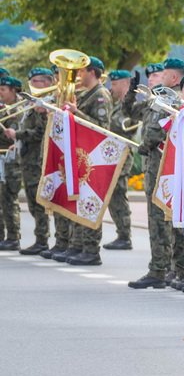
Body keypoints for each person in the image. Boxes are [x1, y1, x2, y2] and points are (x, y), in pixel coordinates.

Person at [128, 60, 184, 288]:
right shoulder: (160, 96)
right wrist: (131, 93)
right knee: (157, 220)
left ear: (173, 78)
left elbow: (156, 131)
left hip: (163, 167)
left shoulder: (171, 99)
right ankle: (160, 268)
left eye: (162, 75)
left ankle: (163, 269)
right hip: (154, 167)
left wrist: (144, 145)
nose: (158, 79)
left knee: (162, 220)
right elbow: (131, 113)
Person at [60, 56, 113, 266]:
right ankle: (79, 244)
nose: (78, 76)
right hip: (83, 154)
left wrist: (76, 112)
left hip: (94, 157)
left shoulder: (101, 96)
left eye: (81, 71)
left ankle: (91, 250)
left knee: (91, 202)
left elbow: (102, 127)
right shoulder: (85, 94)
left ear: (92, 72)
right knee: (79, 201)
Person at [13, 68, 56, 255]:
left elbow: (40, 133)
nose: (32, 84)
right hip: (29, 159)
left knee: (39, 201)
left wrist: (18, 134)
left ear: (47, 83)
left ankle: (42, 239)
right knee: (32, 200)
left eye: (36, 81)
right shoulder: (32, 104)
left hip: (39, 160)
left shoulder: (48, 105)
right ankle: (41, 238)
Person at [103, 69, 138, 251]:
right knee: (113, 195)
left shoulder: (130, 105)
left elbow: (126, 128)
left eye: (115, 84)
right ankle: (121, 233)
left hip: (123, 154)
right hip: (111, 154)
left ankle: (125, 235)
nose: (111, 87)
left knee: (118, 195)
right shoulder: (114, 103)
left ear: (125, 84)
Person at [0, 75, 23, 251]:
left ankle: (13, 236)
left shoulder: (19, 109)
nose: (0, 94)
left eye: (3, 90)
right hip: (3, 157)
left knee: (9, 197)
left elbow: (12, 134)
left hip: (12, 159)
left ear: (13, 91)